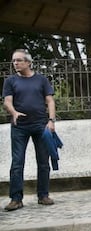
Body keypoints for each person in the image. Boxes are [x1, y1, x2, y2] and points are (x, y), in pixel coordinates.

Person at [2, 49, 56, 211]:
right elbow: (7, 101)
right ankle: (16, 199)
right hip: (19, 127)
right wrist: (14, 112)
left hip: (41, 125)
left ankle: (43, 195)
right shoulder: (10, 81)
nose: (16, 63)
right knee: (17, 163)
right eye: (14, 61)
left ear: (28, 62)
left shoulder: (41, 80)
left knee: (43, 162)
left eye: (19, 60)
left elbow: (50, 101)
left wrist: (51, 120)